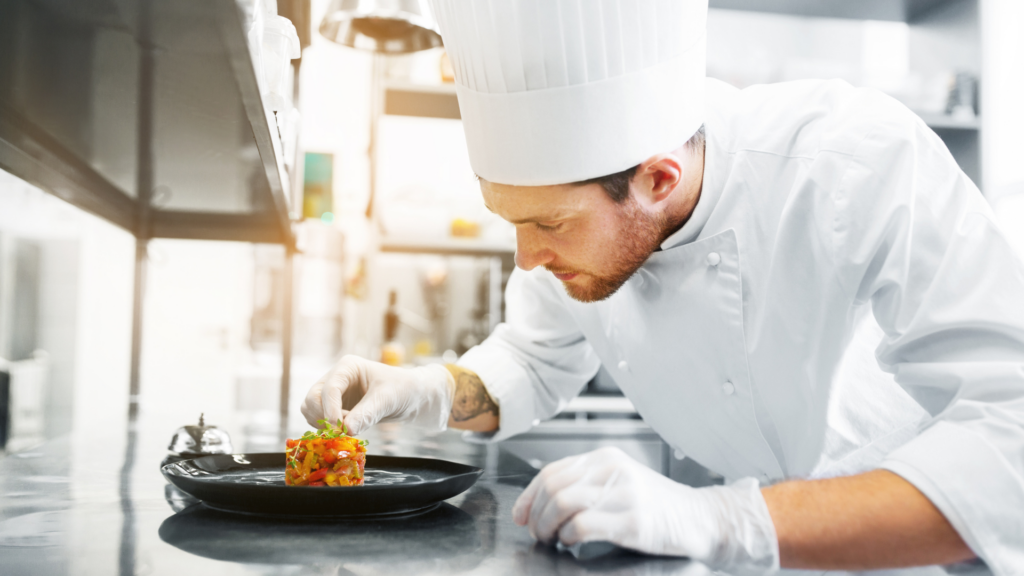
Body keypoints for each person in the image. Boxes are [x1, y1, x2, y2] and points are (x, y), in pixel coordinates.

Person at [301, 1, 1024, 573]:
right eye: (511, 221)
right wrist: (425, 390)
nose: (527, 258)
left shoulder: (853, 161)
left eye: (547, 224)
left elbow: (1012, 444)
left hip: (934, 550)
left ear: (658, 179)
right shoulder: (584, 220)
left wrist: (720, 520)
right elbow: (531, 360)